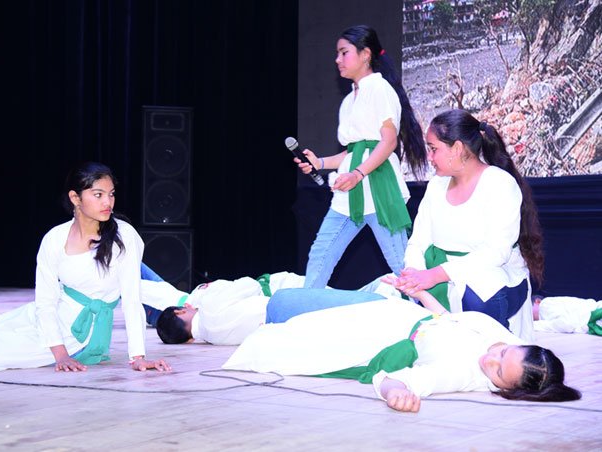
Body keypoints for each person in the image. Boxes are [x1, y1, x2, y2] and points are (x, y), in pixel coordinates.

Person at [0, 162, 171, 373]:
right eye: (98, 195)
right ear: (75, 198)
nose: (108, 202)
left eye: (111, 194)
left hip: (76, 334)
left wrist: (138, 357)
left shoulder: (124, 237)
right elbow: (45, 301)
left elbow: (131, 300)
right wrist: (60, 355)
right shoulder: (55, 238)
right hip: (50, 318)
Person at [223, 286, 581, 413]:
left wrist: (396, 393)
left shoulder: (461, 373)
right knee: (283, 300)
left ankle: (204, 320)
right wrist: (419, 292)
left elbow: (401, 381)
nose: (490, 358)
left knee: (278, 310)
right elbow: (448, 321)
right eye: (502, 353)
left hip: (364, 332)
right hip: (388, 309)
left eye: (499, 371)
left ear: (508, 389)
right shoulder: (502, 337)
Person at [393, 109, 544, 341]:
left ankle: (495, 348)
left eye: (433, 149)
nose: (430, 158)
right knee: (394, 296)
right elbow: (418, 241)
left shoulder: (500, 184)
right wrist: (415, 272)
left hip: (497, 276)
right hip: (438, 275)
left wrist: (435, 275)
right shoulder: (436, 186)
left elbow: (496, 253)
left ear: (457, 148)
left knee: (480, 294)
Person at [295, 24, 428, 289]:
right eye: (337, 54)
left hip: (379, 187)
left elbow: (388, 142)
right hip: (350, 192)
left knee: (402, 264)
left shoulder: (380, 89)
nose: (337, 60)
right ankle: (307, 304)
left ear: (365, 54)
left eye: (344, 53)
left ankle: (429, 310)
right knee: (321, 252)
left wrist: (357, 174)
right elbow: (353, 152)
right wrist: (320, 163)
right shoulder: (348, 101)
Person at [154, 272, 402, 345]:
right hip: (280, 304)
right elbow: (250, 285)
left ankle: (392, 293)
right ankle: (394, 289)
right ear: (180, 312)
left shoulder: (212, 339)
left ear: (187, 340)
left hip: (283, 329)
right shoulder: (208, 304)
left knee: (344, 309)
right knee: (351, 301)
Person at [533, 294, 602, 335]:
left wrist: (532, 325)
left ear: (537, 301)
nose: (528, 316)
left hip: (596, 316)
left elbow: (566, 324)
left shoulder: (544, 304)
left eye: (528, 309)